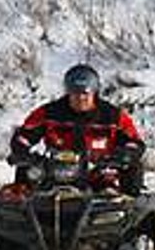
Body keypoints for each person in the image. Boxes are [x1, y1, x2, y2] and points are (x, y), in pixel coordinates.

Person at [8, 64, 147, 194]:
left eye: (85, 93)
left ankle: (131, 204)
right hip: (54, 173)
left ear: (94, 92)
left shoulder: (113, 116)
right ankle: (16, 208)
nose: (80, 98)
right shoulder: (49, 113)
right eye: (75, 93)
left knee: (131, 172)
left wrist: (124, 155)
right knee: (24, 169)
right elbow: (23, 135)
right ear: (68, 92)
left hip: (99, 174)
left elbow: (134, 141)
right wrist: (23, 151)